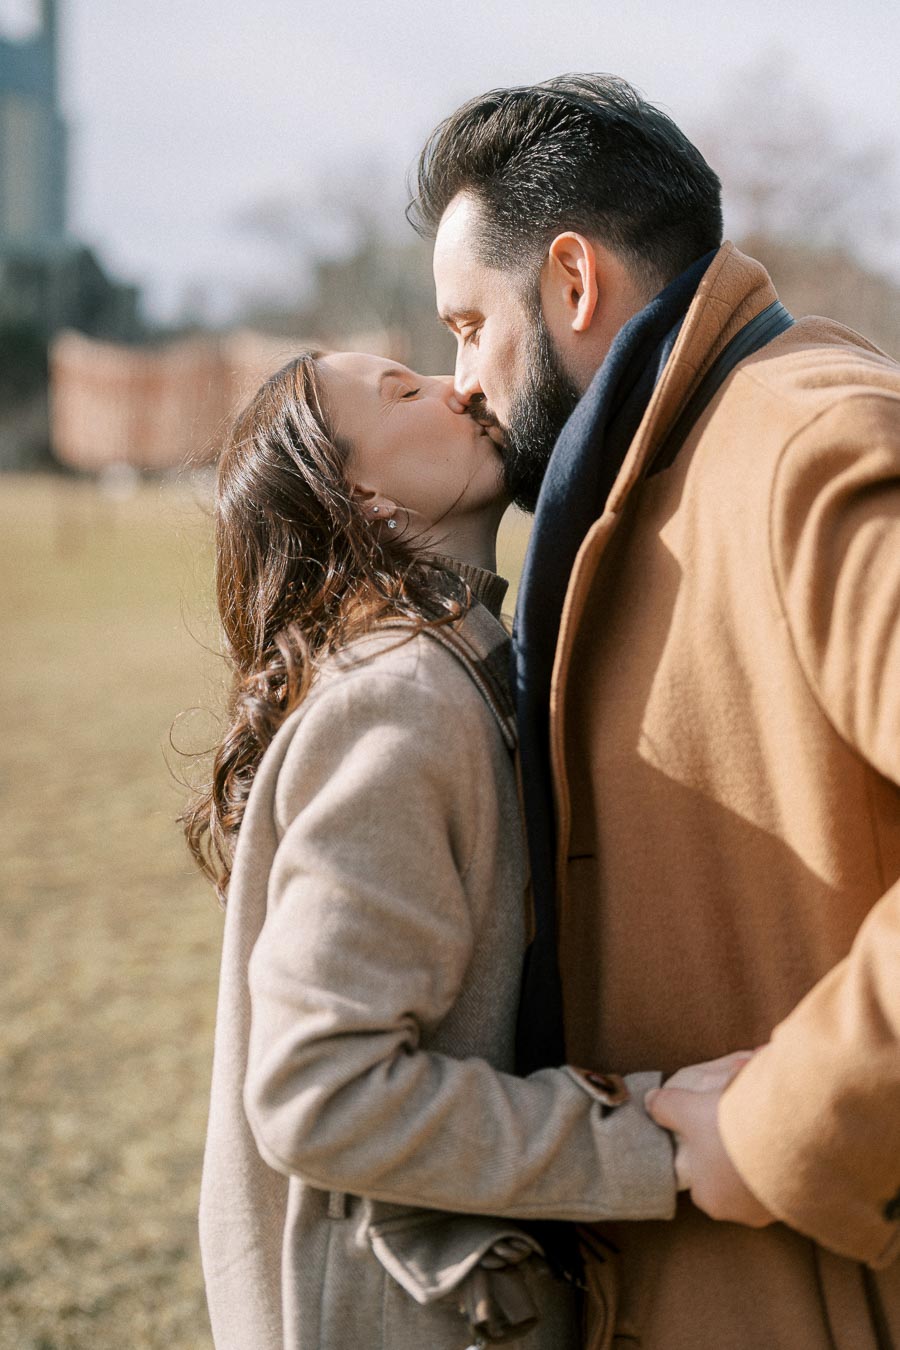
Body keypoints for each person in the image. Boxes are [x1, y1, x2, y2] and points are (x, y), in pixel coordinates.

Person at [411, 73, 900, 1350]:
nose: (459, 382)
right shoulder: (657, 464)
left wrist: (793, 1123)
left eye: (469, 324)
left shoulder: (813, 448)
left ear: (571, 282)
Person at [187, 350, 734, 1350]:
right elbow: (324, 1095)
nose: (463, 385)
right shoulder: (400, 703)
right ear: (367, 499)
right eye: (405, 391)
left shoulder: (454, 662)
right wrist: (655, 1139)